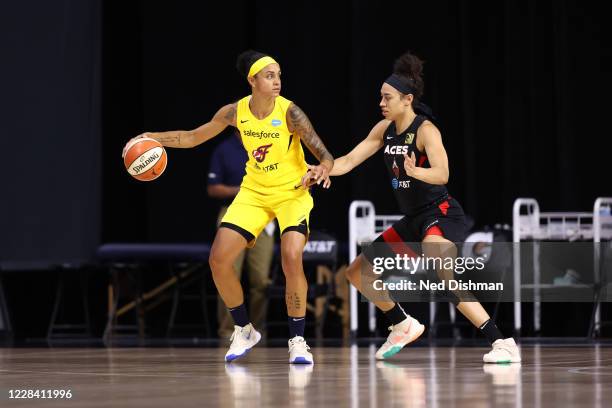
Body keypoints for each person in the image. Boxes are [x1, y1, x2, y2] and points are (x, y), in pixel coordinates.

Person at [306, 51, 520, 363]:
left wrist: (415, 171)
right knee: (356, 272)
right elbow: (349, 160)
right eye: (380, 97)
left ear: (407, 99)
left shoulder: (425, 130)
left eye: (387, 97)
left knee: (443, 276)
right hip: (414, 220)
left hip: (440, 214)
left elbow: (443, 174)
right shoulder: (384, 130)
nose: (381, 103)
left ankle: (501, 342)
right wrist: (322, 169)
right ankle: (402, 323)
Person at [123, 50, 334, 364]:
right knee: (218, 260)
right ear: (252, 80)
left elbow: (324, 153)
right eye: (269, 75)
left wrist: (322, 169)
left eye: (278, 75)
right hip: (254, 192)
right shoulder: (234, 112)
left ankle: (298, 339)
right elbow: (193, 137)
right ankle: (244, 329)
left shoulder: (290, 113)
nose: (277, 81)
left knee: (291, 257)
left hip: (292, 192)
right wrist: (154, 137)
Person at [207, 130, 275, 340]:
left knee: (261, 280)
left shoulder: (269, 143)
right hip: (233, 210)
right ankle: (231, 330)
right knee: (227, 272)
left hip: (263, 212)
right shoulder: (224, 149)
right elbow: (213, 188)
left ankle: (257, 329)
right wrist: (241, 191)